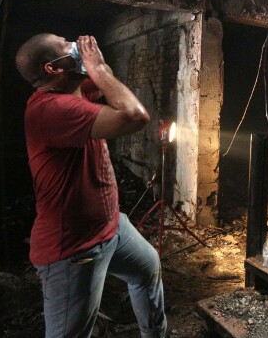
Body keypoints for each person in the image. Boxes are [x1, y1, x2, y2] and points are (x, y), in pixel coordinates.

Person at [15, 33, 166, 338]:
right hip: (75, 247)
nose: (73, 43)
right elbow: (134, 115)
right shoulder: (50, 109)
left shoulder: (73, 89)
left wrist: (97, 69)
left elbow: (110, 85)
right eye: (64, 44)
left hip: (111, 227)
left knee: (147, 270)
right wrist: (96, 67)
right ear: (52, 68)